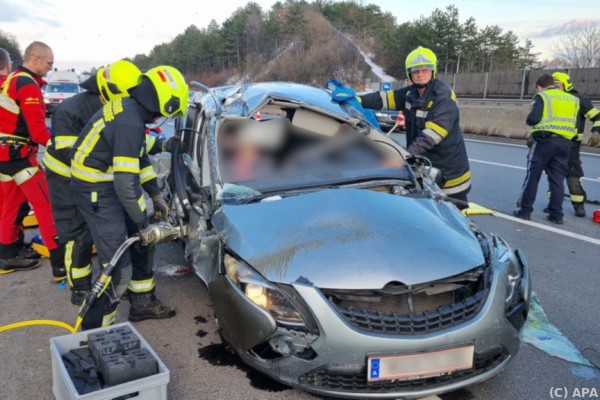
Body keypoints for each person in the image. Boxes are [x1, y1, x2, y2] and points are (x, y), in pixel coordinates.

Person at [70, 65, 187, 329]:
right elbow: (124, 183)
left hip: (105, 185)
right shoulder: (129, 123)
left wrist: (154, 195)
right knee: (117, 269)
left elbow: (139, 159)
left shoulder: (129, 108)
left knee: (142, 240)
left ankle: (142, 303)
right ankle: (96, 330)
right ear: (164, 103)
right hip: (96, 191)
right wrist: (145, 225)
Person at [43, 60, 151, 305]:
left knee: (111, 232)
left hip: (99, 181)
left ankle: (126, 290)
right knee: (78, 233)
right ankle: (79, 287)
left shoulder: (121, 110)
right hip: (65, 177)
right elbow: (70, 154)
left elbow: (132, 146)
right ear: (111, 92)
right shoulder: (70, 111)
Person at [358, 46, 471, 208]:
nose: (420, 74)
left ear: (433, 71)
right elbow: (384, 98)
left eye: (425, 69)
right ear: (409, 73)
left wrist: (405, 157)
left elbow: (430, 135)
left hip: (450, 177)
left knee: (454, 222)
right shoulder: (410, 93)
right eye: (415, 70)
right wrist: (358, 100)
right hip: (427, 168)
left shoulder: (443, 96)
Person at [0, 41, 66, 280]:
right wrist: (63, 148)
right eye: (49, 63)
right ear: (35, 59)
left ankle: (7, 256)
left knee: (10, 206)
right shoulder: (27, 85)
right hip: (20, 158)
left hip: (4, 156)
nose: (50, 67)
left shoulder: (11, 79)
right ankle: (61, 266)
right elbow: (38, 131)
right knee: (47, 206)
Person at [513, 74, 579, 224]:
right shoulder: (572, 99)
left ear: (539, 86)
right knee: (557, 180)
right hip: (565, 143)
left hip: (544, 142)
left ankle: (525, 211)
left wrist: (528, 120)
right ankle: (556, 215)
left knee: (533, 177)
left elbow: (534, 119)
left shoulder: (542, 97)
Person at [0, 47, 40, 273]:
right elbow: (27, 124)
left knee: (9, 205)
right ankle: (8, 254)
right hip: (13, 154)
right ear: (7, 65)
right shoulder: (11, 84)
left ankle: (11, 247)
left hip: (5, 152)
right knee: (13, 205)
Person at [545, 72, 600, 217]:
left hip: (571, 144)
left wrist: (596, 133)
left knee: (573, 175)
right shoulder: (551, 99)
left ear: (565, 84)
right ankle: (553, 205)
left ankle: (578, 205)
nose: (555, 88)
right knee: (554, 174)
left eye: (558, 84)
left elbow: (597, 117)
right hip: (552, 141)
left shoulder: (579, 99)